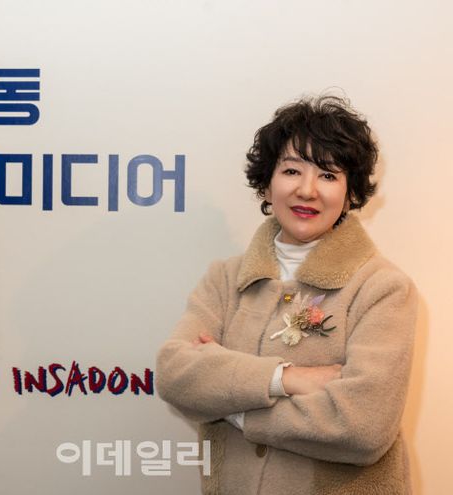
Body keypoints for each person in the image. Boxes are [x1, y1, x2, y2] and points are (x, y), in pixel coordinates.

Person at [156, 95, 417, 495]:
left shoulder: (382, 287)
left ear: (351, 194)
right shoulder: (225, 279)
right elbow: (175, 375)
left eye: (328, 175)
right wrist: (287, 378)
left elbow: (363, 427)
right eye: (292, 170)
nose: (307, 190)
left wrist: (234, 410)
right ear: (267, 183)